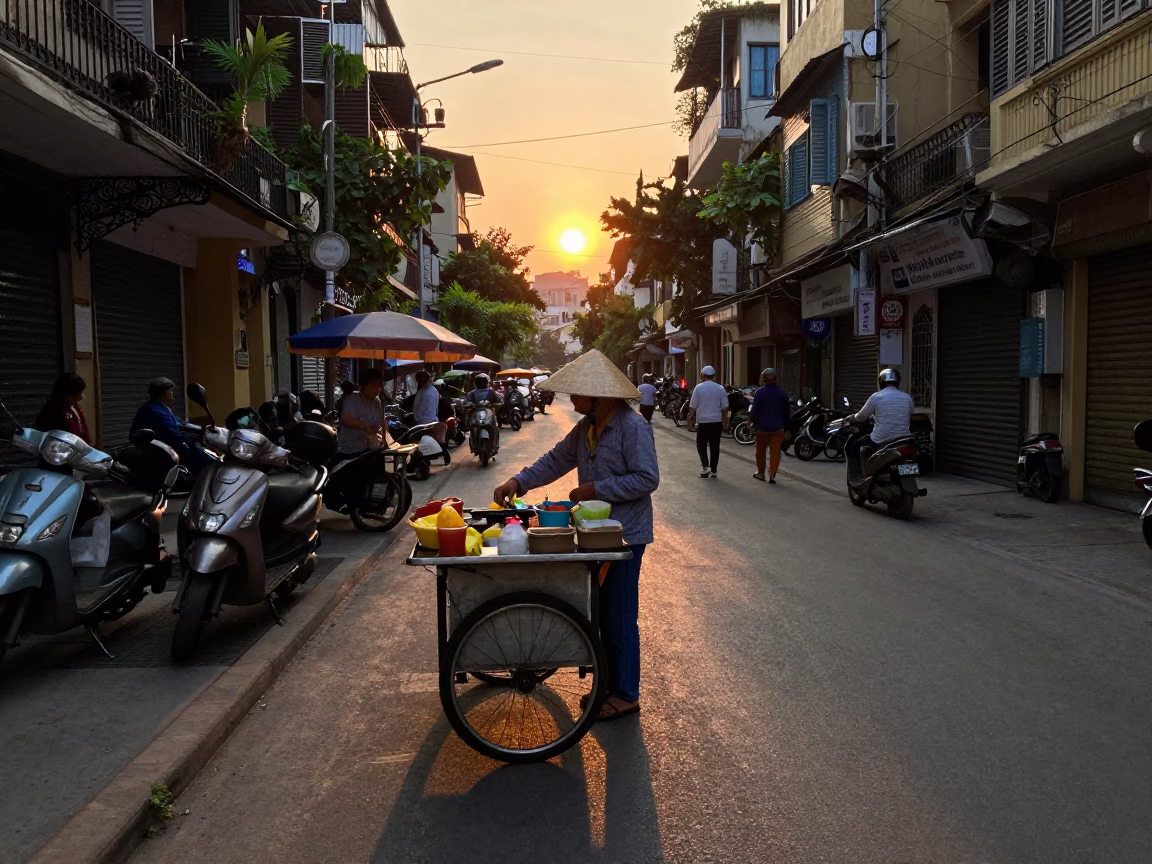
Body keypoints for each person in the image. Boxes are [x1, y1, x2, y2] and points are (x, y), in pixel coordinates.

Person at [493, 349, 659, 723]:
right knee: (600, 616)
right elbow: (555, 460)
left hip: (625, 536)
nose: (572, 398)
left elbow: (648, 479)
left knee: (619, 618)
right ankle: (609, 683)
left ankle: (626, 695)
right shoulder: (586, 428)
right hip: (594, 534)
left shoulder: (632, 427)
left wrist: (596, 488)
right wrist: (518, 480)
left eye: (577, 393)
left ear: (598, 394)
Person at [131, 377, 214, 475]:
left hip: (166, 443)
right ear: (162, 393)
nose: (172, 392)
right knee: (206, 461)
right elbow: (172, 433)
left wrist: (202, 430)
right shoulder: (154, 410)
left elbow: (179, 424)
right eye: (170, 390)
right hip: (157, 447)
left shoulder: (161, 407)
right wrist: (193, 439)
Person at [846, 368, 915, 472]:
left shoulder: (876, 397)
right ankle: (909, 472)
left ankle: (863, 477)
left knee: (855, 446)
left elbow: (860, 418)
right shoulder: (907, 398)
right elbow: (908, 417)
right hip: (904, 440)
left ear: (881, 382)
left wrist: (852, 419)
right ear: (898, 382)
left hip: (880, 439)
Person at [750, 368, 791, 484]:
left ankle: (761, 473)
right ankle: (772, 475)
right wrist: (787, 427)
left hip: (762, 428)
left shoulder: (760, 392)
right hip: (778, 428)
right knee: (775, 452)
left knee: (760, 452)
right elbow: (786, 412)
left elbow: (755, 411)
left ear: (763, 378)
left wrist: (752, 423)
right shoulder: (782, 393)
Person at [688, 365, 728, 479]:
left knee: (701, 444)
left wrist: (690, 418)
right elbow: (725, 407)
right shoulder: (720, 388)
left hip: (703, 422)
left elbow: (692, 406)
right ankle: (714, 470)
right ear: (713, 376)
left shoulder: (698, 388)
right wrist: (726, 419)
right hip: (716, 421)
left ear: (703, 376)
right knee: (715, 445)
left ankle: (706, 467)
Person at [337, 367, 385, 457]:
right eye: (374, 385)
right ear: (364, 386)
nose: (377, 389)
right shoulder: (352, 400)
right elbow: (346, 419)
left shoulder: (376, 403)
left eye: (379, 385)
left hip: (369, 450)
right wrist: (365, 427)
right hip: (351, 452)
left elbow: (378, 424)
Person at [34, 372, 91, 443]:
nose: (81, 396)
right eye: (77, 393)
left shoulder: (75, 409)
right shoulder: (51, 413)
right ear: (65, 393)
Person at [413, 370, 449, 466]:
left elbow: (418, 408)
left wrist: (417, 418)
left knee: (415, 438)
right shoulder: (434, 390)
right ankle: (445, 456)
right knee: (439, 440)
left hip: (423, 421)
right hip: (434, 419)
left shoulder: (422, 392)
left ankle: (423, 459)